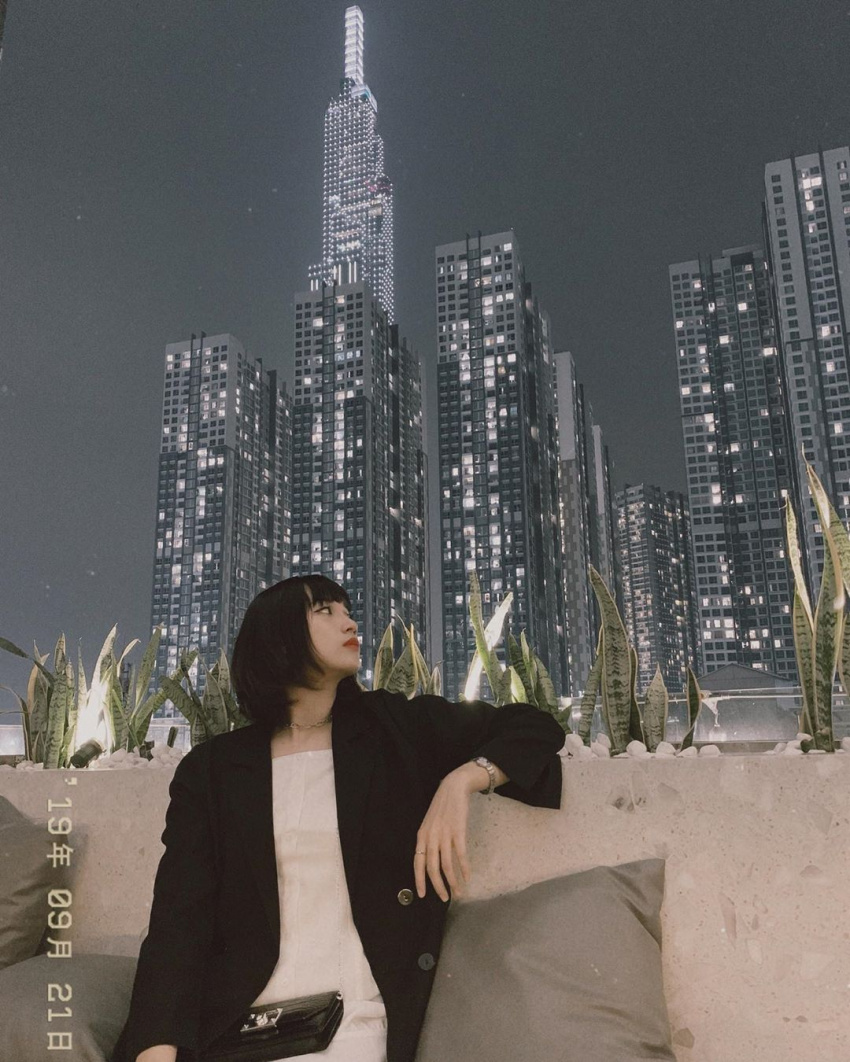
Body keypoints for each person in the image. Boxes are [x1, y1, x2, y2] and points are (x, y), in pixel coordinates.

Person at [112, 574, 565, 1062]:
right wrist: (155, 1050)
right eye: (325, 611)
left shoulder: (393, 728)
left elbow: (533, 726)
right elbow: (179, 919)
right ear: (278, 636)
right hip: (236, 1031)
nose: (349, 623)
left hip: (357, 1023)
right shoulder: (214, 768)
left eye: (347, 610)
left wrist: (463, 781)